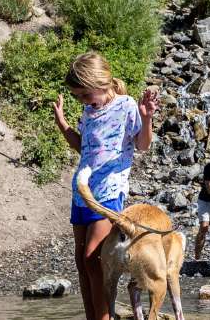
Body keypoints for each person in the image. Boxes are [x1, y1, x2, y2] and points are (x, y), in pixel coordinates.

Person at [53, 52, 159, 320]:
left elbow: (143, 145)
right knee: (81, 262)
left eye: (86, 95)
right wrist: (63, 124)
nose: (84, 101)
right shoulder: (89, 111)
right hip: (82, 193)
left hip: (109, 194)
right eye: (79, 97)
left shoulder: (125, 106)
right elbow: (84, 148)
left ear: (101, 81)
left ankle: (104, 317)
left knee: (93, 258)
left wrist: (146, 119)